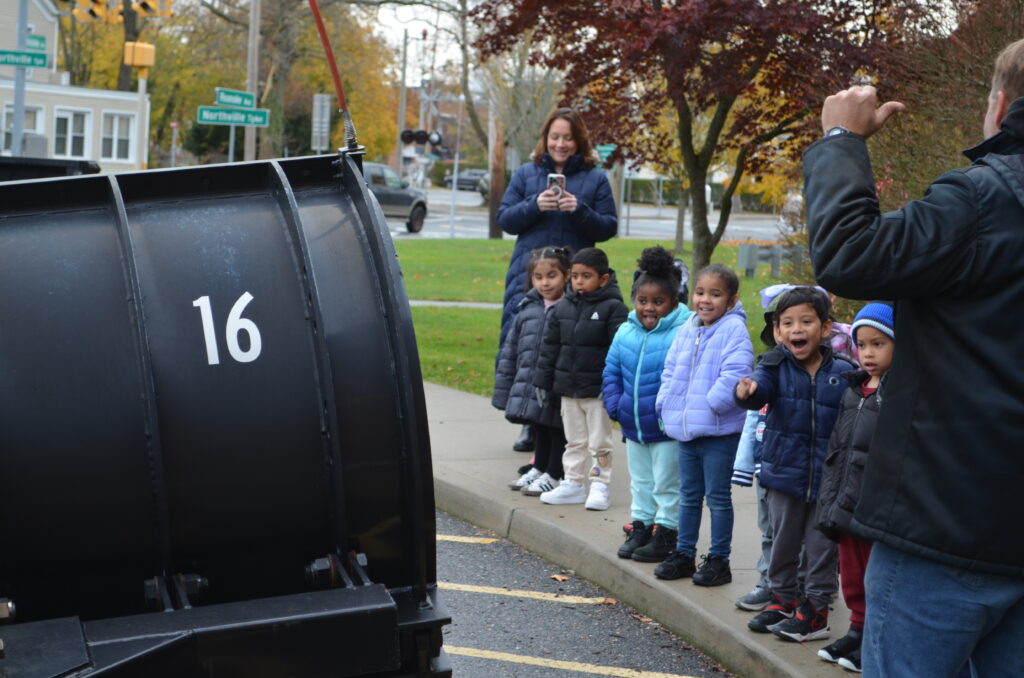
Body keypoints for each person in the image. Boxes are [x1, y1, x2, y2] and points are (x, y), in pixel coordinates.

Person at [803, 39, 1024, 675]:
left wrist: (842, 140)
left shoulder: (983, 200)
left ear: (999, 106)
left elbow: (851, 254)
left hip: (943, 528)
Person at [734, 287, 853, 641]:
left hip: (827, 480)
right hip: (783, 475)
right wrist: (747, 391)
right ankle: (783, 600)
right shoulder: (773, 366)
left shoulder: (845, 372)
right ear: (777, 331)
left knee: (821, 549)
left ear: (826, 327)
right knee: (782, 543)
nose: (796, 329)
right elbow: (759, 388)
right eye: (787, 323)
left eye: (806, 321)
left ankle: (816, 612)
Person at [497, 109, 618, 452]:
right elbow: (505, 219)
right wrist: (535, 205)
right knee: (529, 348)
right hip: (530, 278)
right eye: (555, 137)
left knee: (567, 351)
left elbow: (608, 226)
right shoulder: (526, 174)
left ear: (579, 141)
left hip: (576, 279)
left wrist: (578, 209)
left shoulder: (595, 179)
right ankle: (529, 423)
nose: (560, 144)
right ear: (545, 138)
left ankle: (563, 426)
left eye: (567, 137)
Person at [654, 264, 753, 586]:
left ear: (731, 299)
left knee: (718, 498)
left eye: (715, 294)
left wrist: (710, 405)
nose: (705, 300)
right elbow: (670, 369)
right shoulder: (688, 327)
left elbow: (736, 372)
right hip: (687, 431)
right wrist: (664, 402)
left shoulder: (733, 329)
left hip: (718, 432)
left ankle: (719, 560)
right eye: (700, 292)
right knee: (689, 495)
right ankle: (684, 553)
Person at [813, 302, 894, 673]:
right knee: (851, 572)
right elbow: (838, 446)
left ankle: (874, 638)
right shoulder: (854, 389)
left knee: (876, 575)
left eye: (879, 344)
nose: (868, 353)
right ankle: (857, 629)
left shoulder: (897, 392)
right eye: (862, 345)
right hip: (846, 498)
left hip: (875, 504)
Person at [602, 246, 691, 561]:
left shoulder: (685, 331)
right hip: (634, 424)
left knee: (666, 483)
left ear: (674, 302)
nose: (649, 308)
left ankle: (666, 533)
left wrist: (674, 414)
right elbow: (611, 371)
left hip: (667, 428)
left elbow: (687, 379)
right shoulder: (626, 331)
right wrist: (616, 406)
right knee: (641, 482)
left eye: (658, 301)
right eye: (642, 301)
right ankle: (641, 527)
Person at [534, 247, 628, 511]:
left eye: (586, 276)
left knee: (599, 442)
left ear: (604, 279)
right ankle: (573, 483)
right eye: (574, 276)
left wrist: (611, 385)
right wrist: (542, 380)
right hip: (568, 389)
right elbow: (549, 347)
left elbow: (619, 351)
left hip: (597, 392)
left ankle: (599, 484)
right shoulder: (562, 308)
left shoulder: (614, 308)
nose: (579, 281)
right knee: (574, 441)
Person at [493, 247, 572, 496]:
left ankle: (554, 473)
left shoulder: (570, 308)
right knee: (539, 425)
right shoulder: (528, 307)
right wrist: (507, 384)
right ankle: (539, 467)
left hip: (558, 381)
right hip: (533, 380)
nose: (545, 283)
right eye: (538, 277)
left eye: (552, 276)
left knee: (556, 428)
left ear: (566, 275)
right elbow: (512, 349)